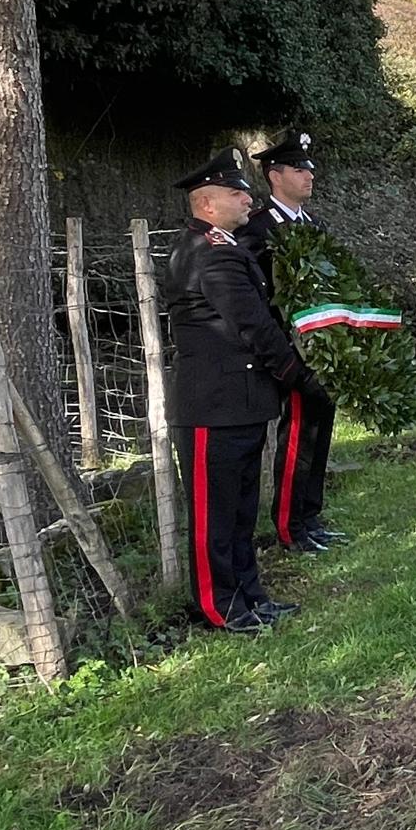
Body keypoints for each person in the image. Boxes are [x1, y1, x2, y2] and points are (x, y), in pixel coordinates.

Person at [166, 149, 322, 633]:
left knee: (239, 510)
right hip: (213, 405)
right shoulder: (208, 255)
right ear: (207, 204)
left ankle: (250, 594)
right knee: (214, 515)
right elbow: (253, 324)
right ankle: (219, 607)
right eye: (236, 193)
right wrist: (299, 374)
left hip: (242, 402)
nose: (246, 198)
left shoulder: (224, 247)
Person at [236, 129, 345, 554]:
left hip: (325, 345)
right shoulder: (259, 227)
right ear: (275, 176)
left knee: (319, 431)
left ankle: (310, 515)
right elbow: (253, 289)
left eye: (309, 169)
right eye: (299, 169)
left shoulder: (312, 224)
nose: (309, 176)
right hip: (290, 347)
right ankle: (289, 526)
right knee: (298, 433)